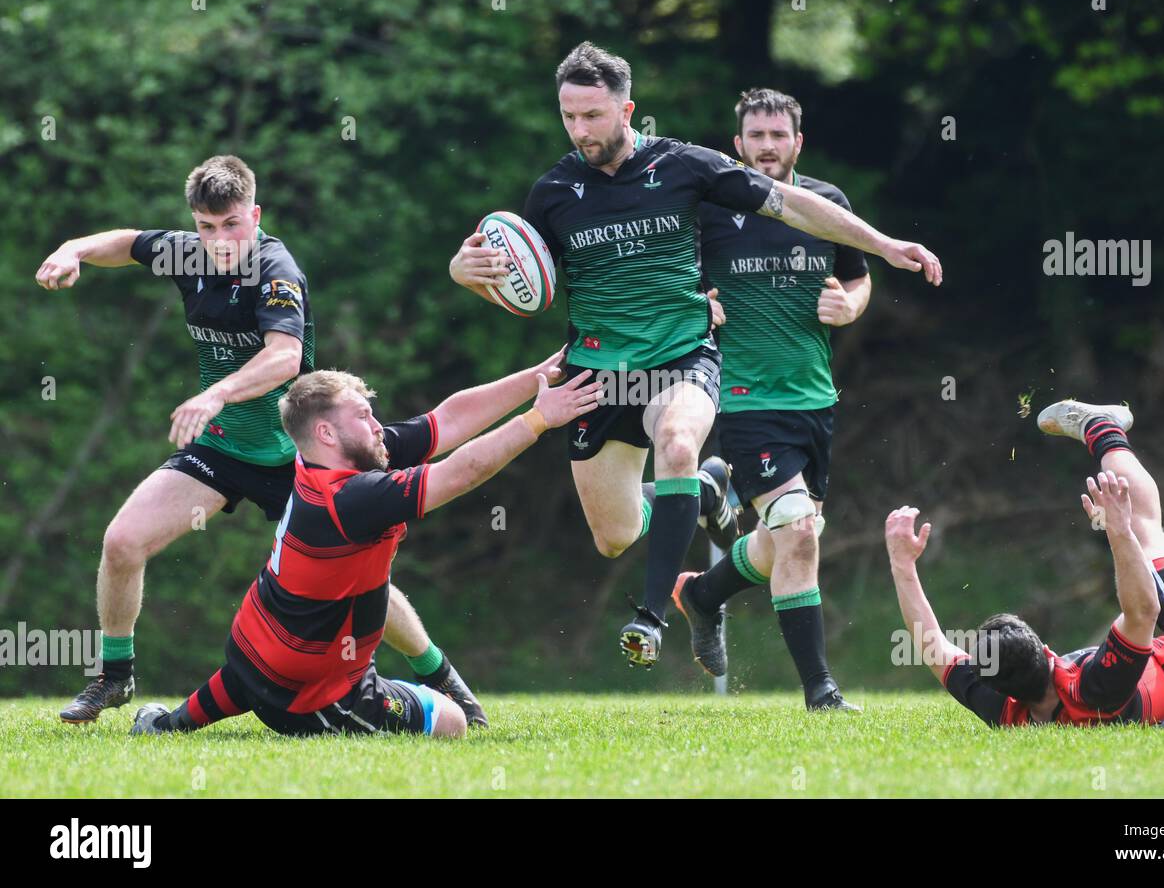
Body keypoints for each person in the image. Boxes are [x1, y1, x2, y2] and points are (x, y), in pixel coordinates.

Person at [450, 43, 942, 668]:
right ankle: (703, 494)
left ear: (627, 109)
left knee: (680, 442)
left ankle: (651, 617)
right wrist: (465, 271)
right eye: (569, 116)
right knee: (615, 536)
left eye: (593, 116)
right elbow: (524, 283)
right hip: (598, 376)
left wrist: (883, 244)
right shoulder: (553, 193)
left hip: (683, 356)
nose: (580, 131)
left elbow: (791, 203)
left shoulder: (684, 165)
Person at [37, 155, 482, 726]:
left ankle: (441, 676)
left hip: (294, 459)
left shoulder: (275, 270)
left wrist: (217, 393)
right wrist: (75, 248)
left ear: (256, 214)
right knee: (123, 542)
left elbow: (284, 356)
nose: (219, 240)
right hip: (221, 451)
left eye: (232, 225)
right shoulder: (187, 252)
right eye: (205, 226)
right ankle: (114, 680)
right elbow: (126, 243)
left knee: (360, 581)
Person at [131, 363, 602, 737]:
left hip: (250, 654)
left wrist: (540, 375)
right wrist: (540, 418)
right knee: (452, 721)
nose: (378, 426)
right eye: (363, 416)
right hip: (315, 696)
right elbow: (463, 471)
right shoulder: (352, 497)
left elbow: (447, 419)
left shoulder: (322, 461)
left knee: (244, 680)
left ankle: (170, 723)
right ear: (327, 434)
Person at [886, 399, 1164, 726]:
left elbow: (932, 646)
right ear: (1047, 652)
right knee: (1144, 528)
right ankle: (1102, 426)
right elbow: (1143, 610)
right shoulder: (1096, 687)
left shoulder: (1005, 711)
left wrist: (902, 567)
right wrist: (1118, 531)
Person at [672, 88, 870, 711]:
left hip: (813, 396)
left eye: (776, 136)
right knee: (798, 529)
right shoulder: (707, 210)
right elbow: (669, 282)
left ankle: (703, 595)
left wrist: (849, 306)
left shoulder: (826, 205)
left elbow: (859, 279)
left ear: (796, 143)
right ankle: (822, 693)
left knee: (784, 536)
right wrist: (696, 304)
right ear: (737, 145)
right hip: (741, 396)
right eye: (754, 136)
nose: (765, 147)